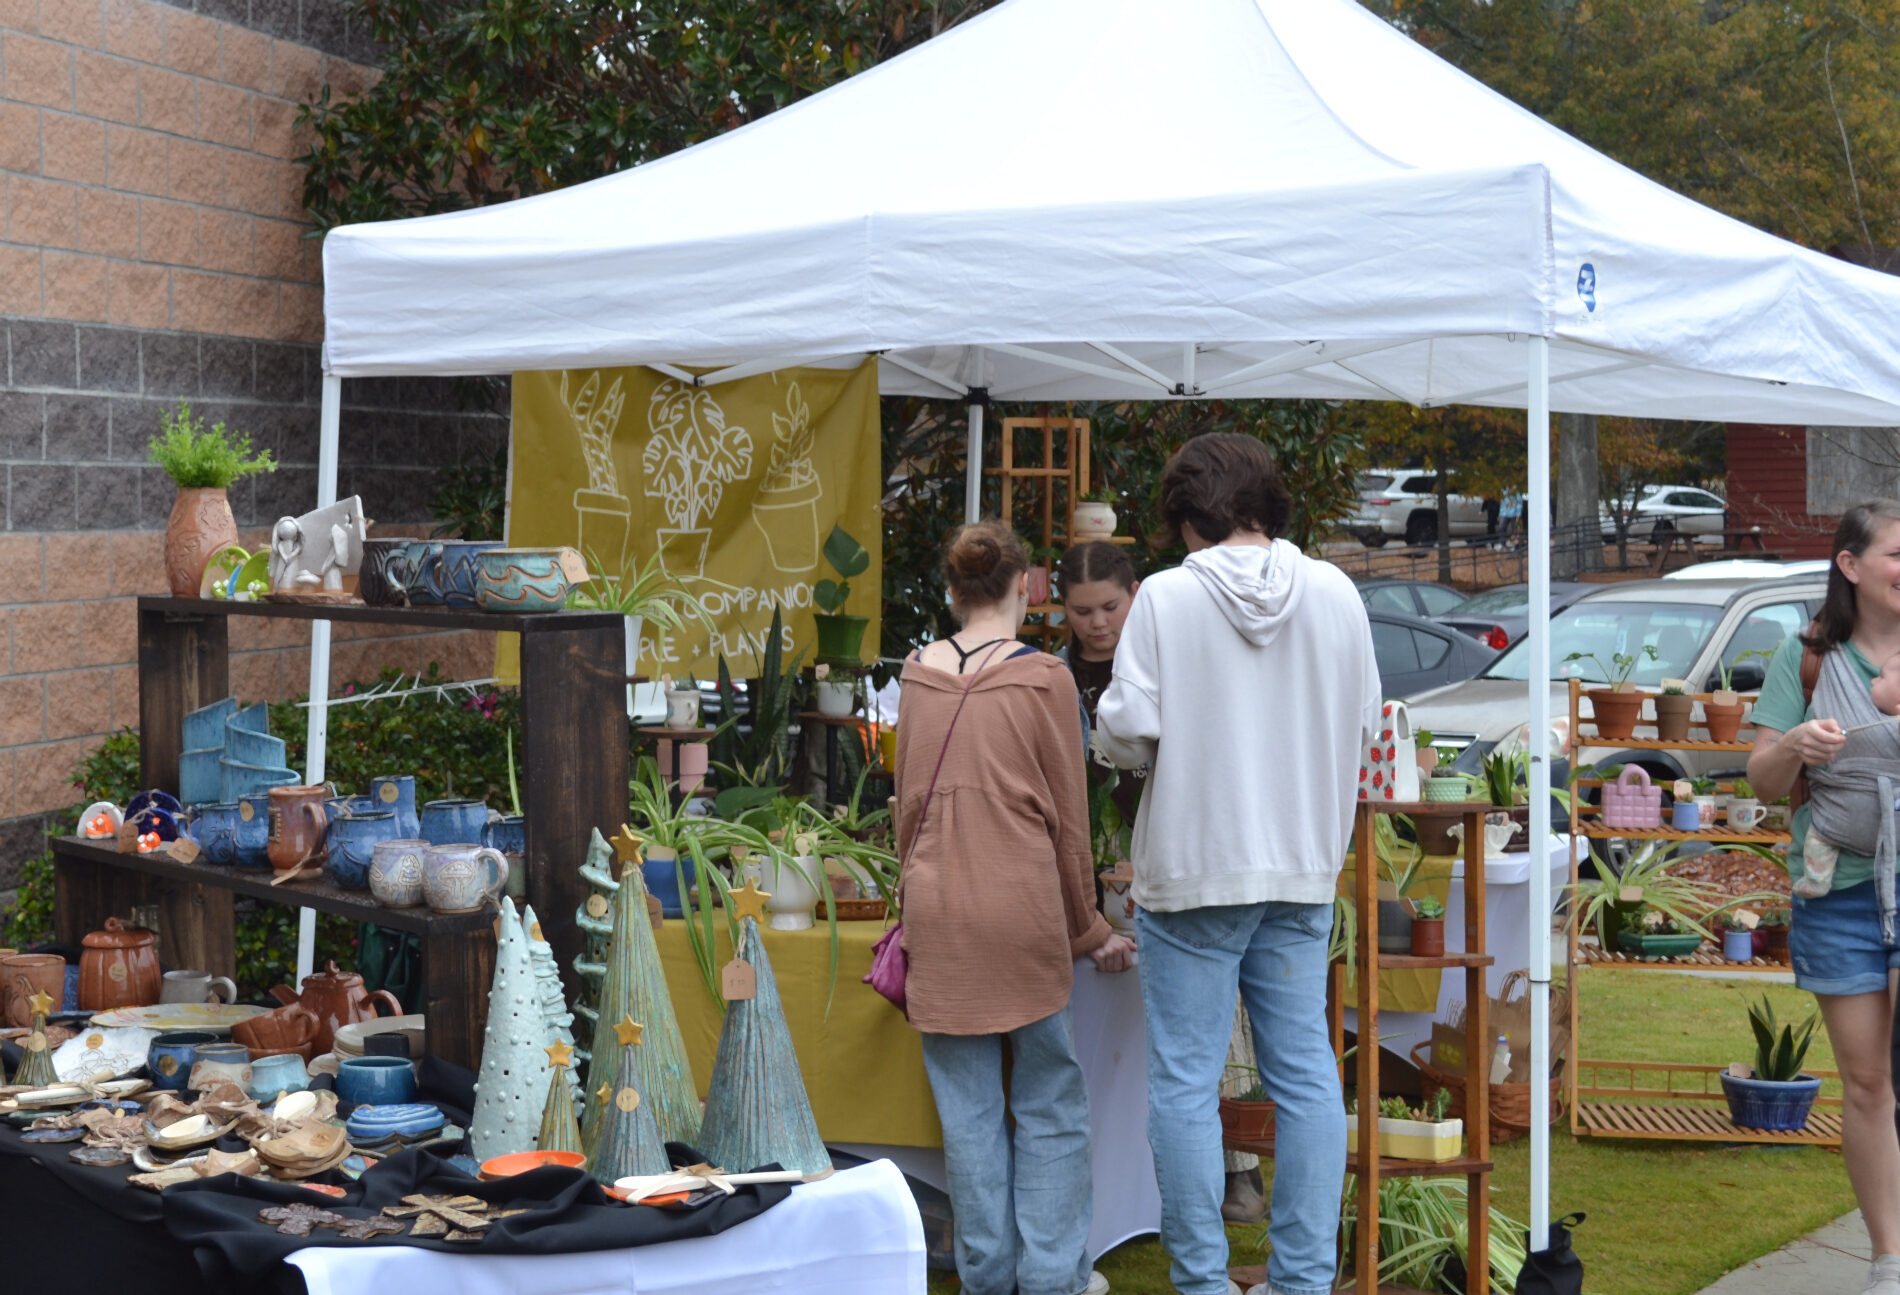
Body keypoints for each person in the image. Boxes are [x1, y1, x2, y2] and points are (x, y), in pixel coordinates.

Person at [1095, 433, 1380, 1295]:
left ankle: (1206, 1284)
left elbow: (1126, 731)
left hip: (1194, 867)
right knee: (1305, 1076)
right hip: (1300, 866)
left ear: (1190, 515)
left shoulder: (1167, 599)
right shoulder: (1336, 592)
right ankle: (1302, 1281)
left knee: (1185, 1084)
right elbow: (1366, 720)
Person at [895, 519, 1138, 1295]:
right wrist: (1090, 925)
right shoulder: (1046, 679)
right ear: (1028, 587)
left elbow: (904, 813)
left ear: (952, 589)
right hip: (1024, 907)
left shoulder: (916, 675)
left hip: (938, 908)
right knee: (1049, 1102)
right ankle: (1053, 1276)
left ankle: (987, 1277)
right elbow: (1070, 825)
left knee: (966, 1113)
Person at [1748, 500, 1900, 1295]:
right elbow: (1762, 780)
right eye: (1898, 553)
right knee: (1868, 1080)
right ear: (1851, 565)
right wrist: (1797, 744)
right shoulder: (1804, 658)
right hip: (1837, 890)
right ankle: (1888, 1259)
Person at [1795, 649, 1900, 899]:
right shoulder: (1852, 711)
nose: (1873, 680)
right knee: (1819, 841)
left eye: (1882, 678)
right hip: (1833, 821)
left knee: (1819, 841)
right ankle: (1816, 879)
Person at [1057, 540, 1144, 830]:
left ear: (1135, 593)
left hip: (1158, 844)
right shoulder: (1053, 677)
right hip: (1084, 845)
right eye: (1082, 612)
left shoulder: (1162, 668)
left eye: (1110, 607)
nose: (1098, 622)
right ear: (1064, 606)